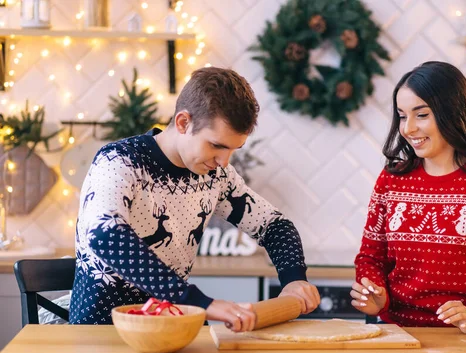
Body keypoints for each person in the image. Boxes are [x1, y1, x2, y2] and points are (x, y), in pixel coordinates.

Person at [70, 67, 320, 330]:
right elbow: (104, 235)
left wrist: (294, 279)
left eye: (234, 149)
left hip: (170, 330)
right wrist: (200, 302)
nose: (224, 161)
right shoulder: (117, 161)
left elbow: (273, 225)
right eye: (216, 146)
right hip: (100, 333)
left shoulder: (216, 176)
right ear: (183, 123)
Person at [351, 61, 466, 334]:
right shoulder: (391, 181)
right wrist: (376, 293)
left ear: (452, 113)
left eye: (421, 115)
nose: (408, 128)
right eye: (402, 115)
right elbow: (371, 258)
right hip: (400, 335)